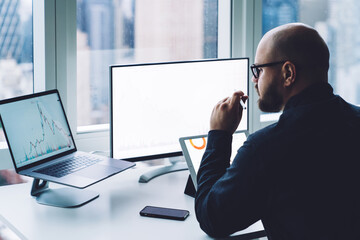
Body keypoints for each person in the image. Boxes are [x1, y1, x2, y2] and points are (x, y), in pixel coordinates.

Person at [195, 23, 360, 239]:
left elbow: (212, 218)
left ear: (288, 73)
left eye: (259, 70)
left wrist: (219, 135)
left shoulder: (266, 148)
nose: (254, 80)